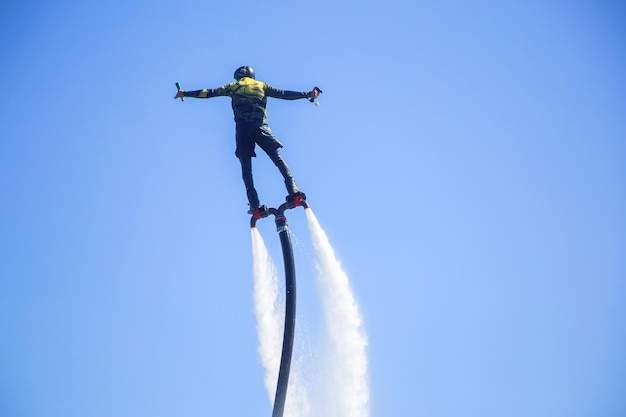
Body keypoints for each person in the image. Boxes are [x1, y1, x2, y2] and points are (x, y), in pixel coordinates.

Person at [175, 66, 320, 213]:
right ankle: (293, 191)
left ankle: (254, 204)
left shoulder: (233, 86)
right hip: (261, 127)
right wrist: (307, 94)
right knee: (278, 159)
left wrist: (185, 93)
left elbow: (208, 93)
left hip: (243, 129)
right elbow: (284, 94)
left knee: (246, 168)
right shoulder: (261, 85)